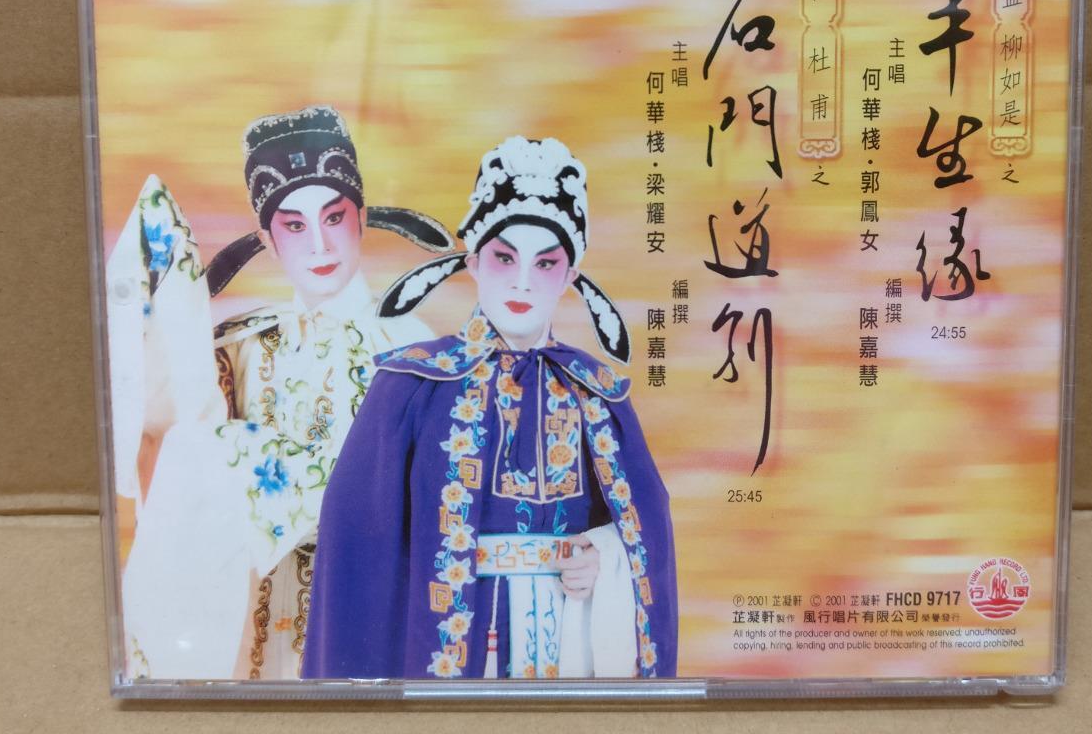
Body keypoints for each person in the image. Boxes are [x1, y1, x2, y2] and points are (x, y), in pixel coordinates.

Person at [303, 136, 677, 680]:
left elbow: (644, 533)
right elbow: (357, 553)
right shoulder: (410, 386)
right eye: (504, 258)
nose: (522, 281)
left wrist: (603, 555)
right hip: (452, 645)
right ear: (474, 262)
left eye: (545, 263)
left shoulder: (597, 394)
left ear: (570, 276)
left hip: (568, 639)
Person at [107, 106, 452, 680]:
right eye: (294, 226)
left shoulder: (416, 353)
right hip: (251, 627)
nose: (319, 244)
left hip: (366, 610)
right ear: (268, 239)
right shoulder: (236, 348)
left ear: (362, 218)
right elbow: (169, 463)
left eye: (334, 217)